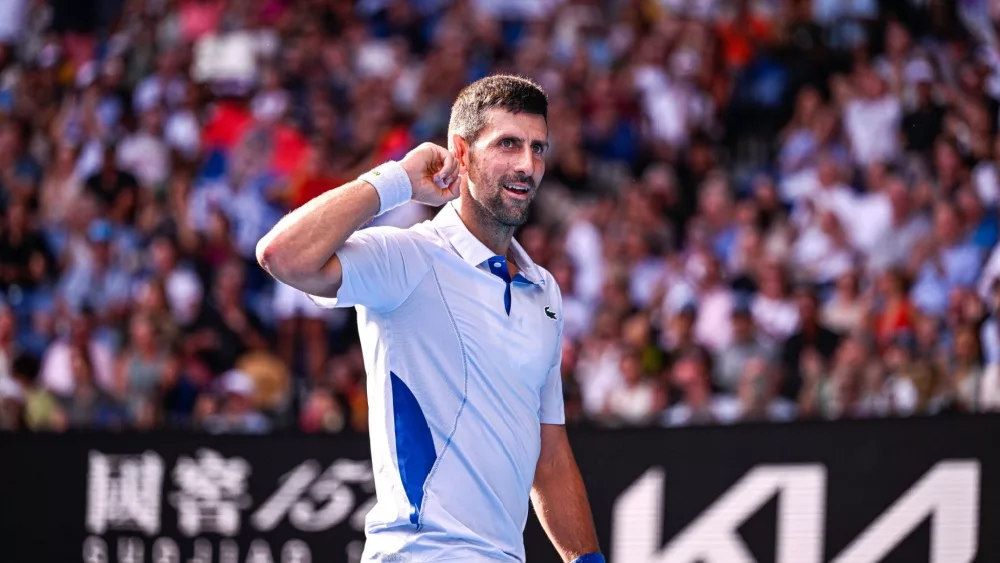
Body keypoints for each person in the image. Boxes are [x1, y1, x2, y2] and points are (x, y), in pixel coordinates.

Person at [257, 74, 603, 563]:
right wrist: (397, 179)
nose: (527, 165)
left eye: (538, 148)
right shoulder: (409, 256)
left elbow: (550, 458)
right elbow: (282, 255)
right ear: (461, 153)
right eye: (507, 144)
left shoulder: (543, 289)